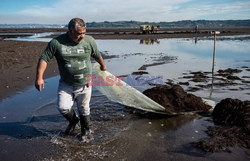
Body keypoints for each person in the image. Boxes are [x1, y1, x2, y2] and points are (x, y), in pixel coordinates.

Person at [35, 17, 107, 140]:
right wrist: (39, 78)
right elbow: (44, 58)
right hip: (66, 83)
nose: (82, 36)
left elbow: (97, 54)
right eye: (79, 34)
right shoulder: (56, 42)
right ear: (70, 31)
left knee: (84, 108)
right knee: (63, 107)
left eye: (84, 33)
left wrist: (103, 65)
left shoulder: (89, 41)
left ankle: (86, 132)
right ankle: (74, 121)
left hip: (85, 82)